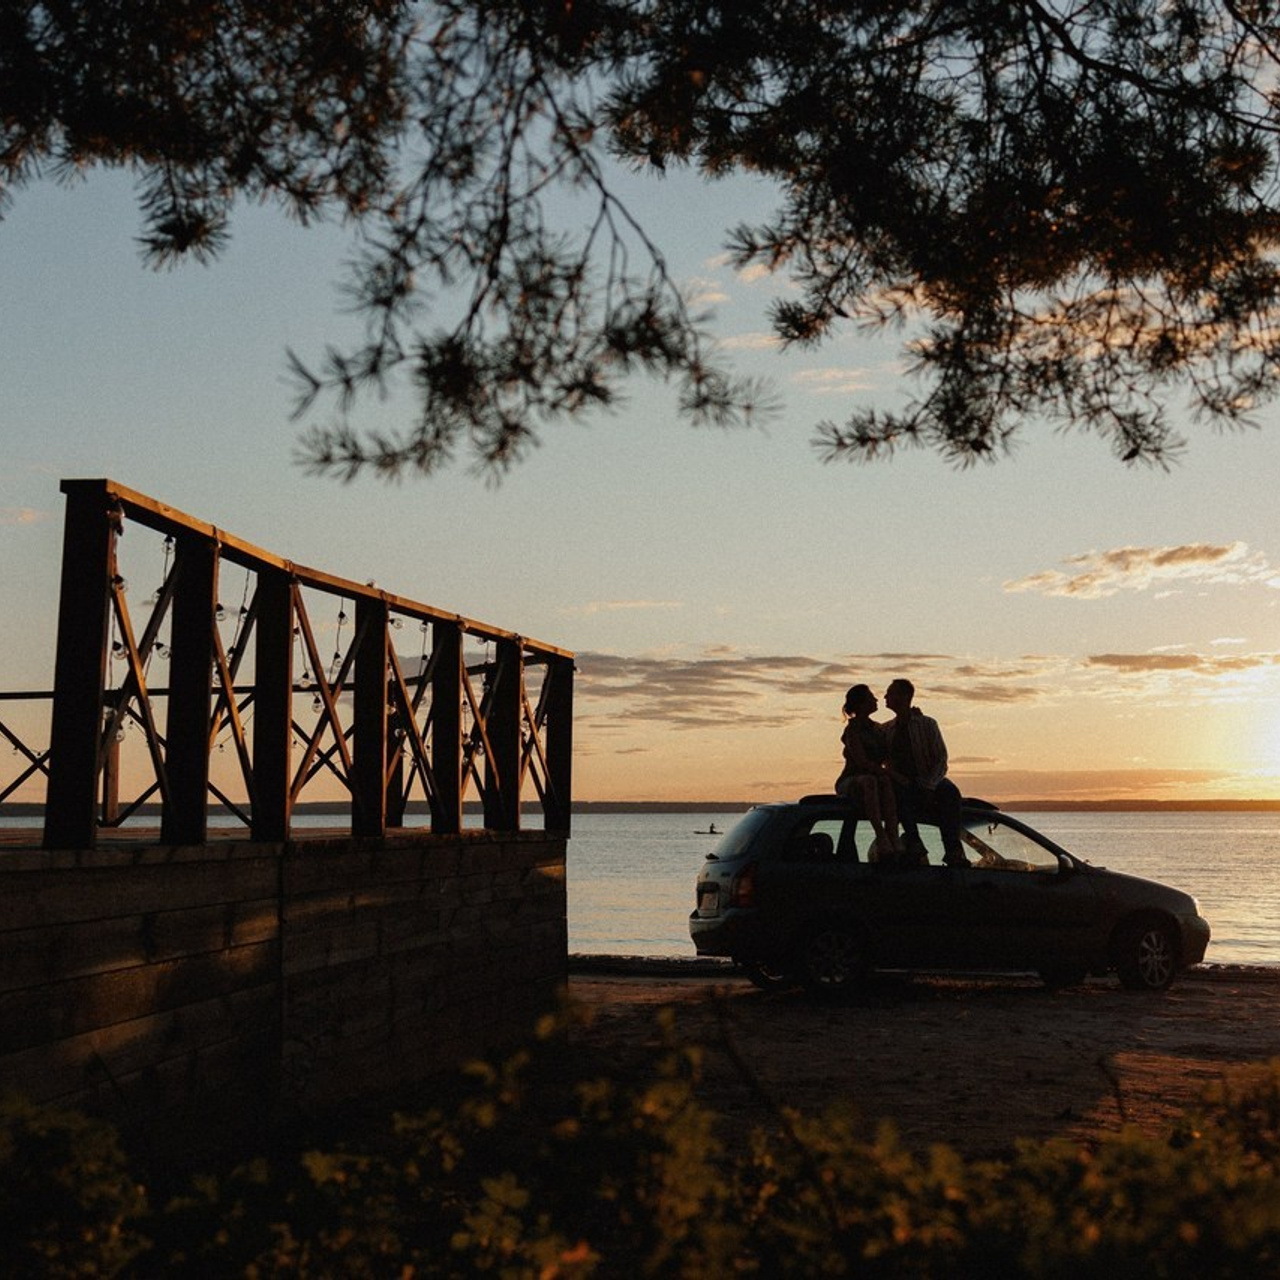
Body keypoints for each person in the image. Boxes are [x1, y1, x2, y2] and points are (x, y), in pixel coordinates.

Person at [882, 677, 968, 867]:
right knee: (899, 796)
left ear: (904, 697)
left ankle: (953, 851)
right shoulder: (886, 729)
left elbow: (941, 759)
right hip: (901, 782)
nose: (885, 696)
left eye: (890, 692)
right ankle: (914, 843)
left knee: (951, 793)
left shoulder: (927, 724)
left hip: (929, 778)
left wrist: (929, 785)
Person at [834, 683, 902, 860]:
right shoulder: (852, 731)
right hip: (850, 780)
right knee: (870, 781)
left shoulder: (878, 728)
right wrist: (892, 774)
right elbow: (862, 762)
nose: (876, 699)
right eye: (871, 697)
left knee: (883, 782)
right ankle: (880, 834)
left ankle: (892, 833)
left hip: (876, 778)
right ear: (861, 703)